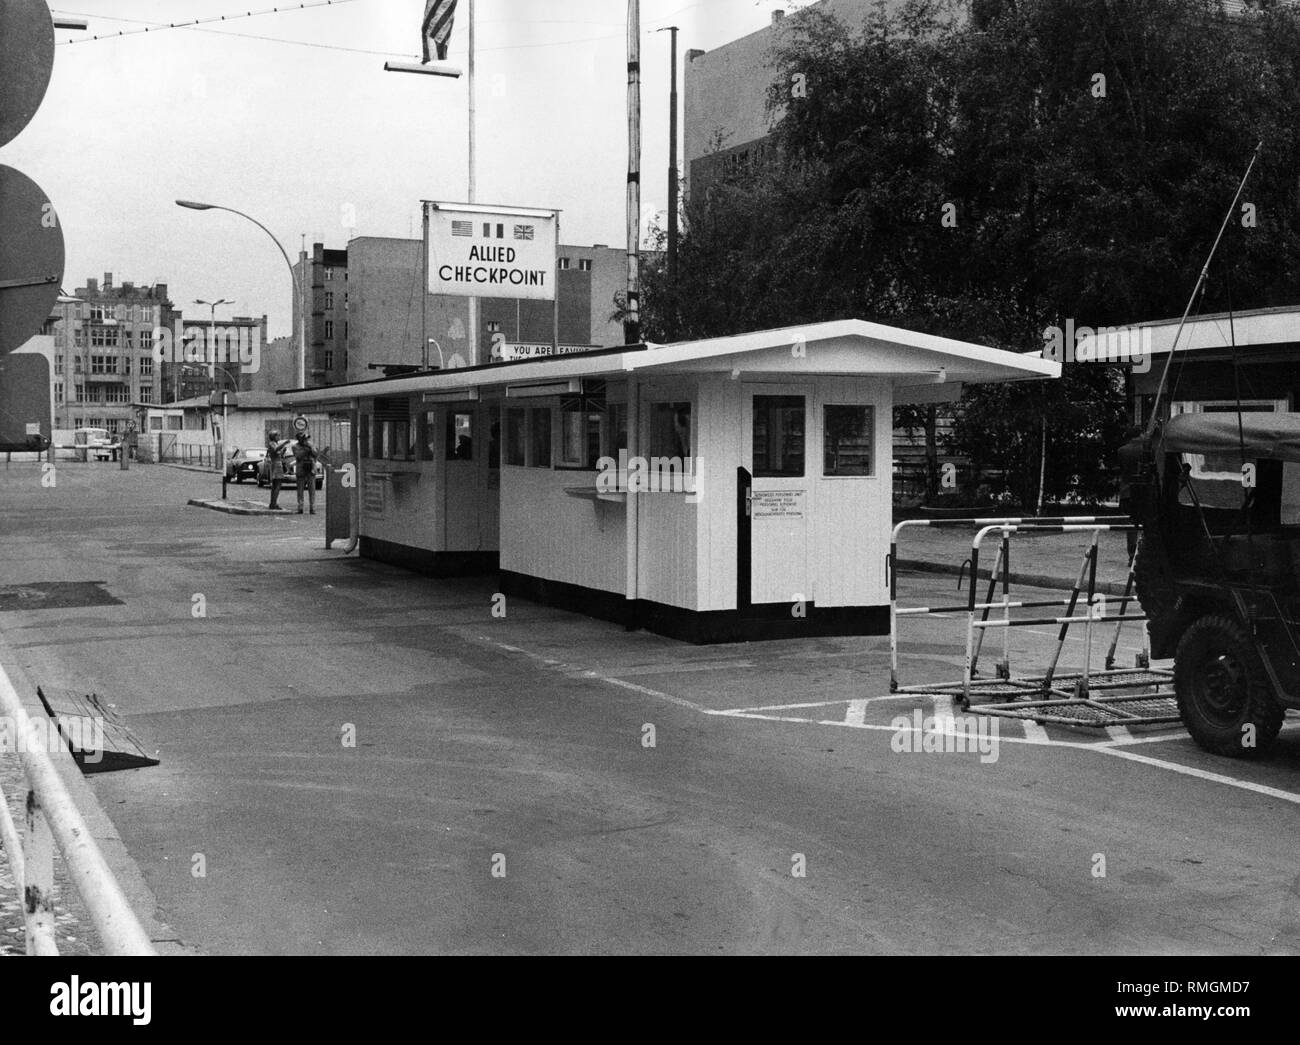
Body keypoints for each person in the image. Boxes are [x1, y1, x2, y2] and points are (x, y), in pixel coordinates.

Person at [291, 432, 319, 514]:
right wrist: (305, 449)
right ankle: (300, 507)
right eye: (303, 438)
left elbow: (316, 454)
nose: (305, 440)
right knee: (300, 489)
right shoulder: (295, 446)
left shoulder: (310, 444)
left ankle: (312, 508)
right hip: (301, 468)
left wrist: (310, 448)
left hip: (311, 468)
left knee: (312, 489)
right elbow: (298, 456)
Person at [265, 429, 291, 511]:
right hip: (276, 465)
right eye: (277, 435)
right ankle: (274, 503)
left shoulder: (275, 444)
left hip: (277, 464)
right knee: (277, 485)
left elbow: (279, 455)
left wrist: (283, 451)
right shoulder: (272, 444)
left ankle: (273, 502)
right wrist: (284, 443)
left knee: (276, 485)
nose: (279, 437)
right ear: (274, 436)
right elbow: (276, 450)